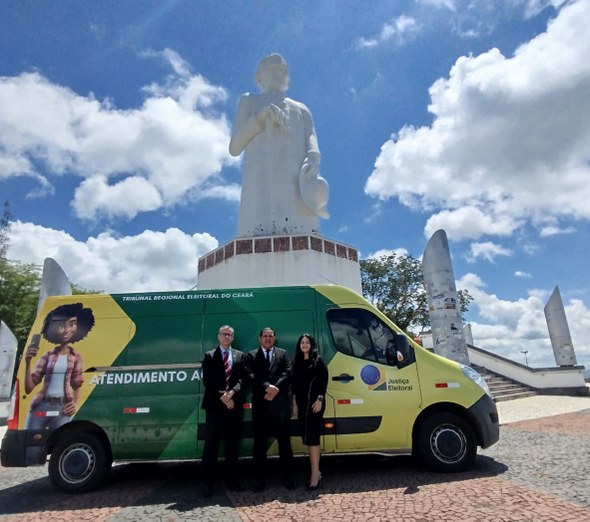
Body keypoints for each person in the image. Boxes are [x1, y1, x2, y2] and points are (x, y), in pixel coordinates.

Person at [229, 53, 329, 238]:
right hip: (260, 184)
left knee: (303, 225)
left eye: (282, 70)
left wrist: (314, 152)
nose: (278, 73)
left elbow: (311, 136)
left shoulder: (300, 109)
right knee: (257, 224)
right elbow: (234, 147)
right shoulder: (250, 101)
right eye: (272, 69)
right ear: (260, 76)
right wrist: (259, 119)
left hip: (296, 184)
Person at [24, 303, 95, 432]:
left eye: (72, 324)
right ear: (53, 328)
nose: (67, 330)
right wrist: (28, 362)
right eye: (62, 326)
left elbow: (77, 383)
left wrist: (74, 403)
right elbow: (29, 388)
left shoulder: (76, 357)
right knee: (31, 444)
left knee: (64, 440)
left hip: (64, 408)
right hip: (41, 405)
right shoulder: (47, 356)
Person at [245, 327, 295, 492]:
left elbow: (288, 373)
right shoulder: (252, 355)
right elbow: (250, 375)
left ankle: (288, 479)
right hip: (261, 405)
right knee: (259, 444)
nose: (267, 338)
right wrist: (267, 387)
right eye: (265, 336)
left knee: (284, 443)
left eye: (270, 336)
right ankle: (259, 481)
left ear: (275, 338)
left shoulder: (283, 354)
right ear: (260, 339)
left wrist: (275, 388)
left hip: (281, 406)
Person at [200, 325, 245, 497]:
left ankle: (232, 481)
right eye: (224, 334)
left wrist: (232, 393)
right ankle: (207, 483)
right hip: (215, 405)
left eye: (230, 335)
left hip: (233, 405)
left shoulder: (239, 356)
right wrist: (224, 398)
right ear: (218, 337)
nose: (227, 337)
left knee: (232, 445)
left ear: (233, 338)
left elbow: (242, 379)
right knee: (211, 445)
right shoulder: (210, 355)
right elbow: (208, 381)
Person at [292, 333, 328, 490]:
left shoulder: (318, 361)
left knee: (313, 437)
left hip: (315, 405)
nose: (304, 345)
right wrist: (294, 403)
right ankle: (316, 471)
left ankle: (315, 475)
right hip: (301, 405)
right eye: (302, 342)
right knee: (306, 437)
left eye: (307, 342)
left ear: (311, 345)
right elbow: (294, 385)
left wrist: (320, 399)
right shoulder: (296, 362)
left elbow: (323, 379)